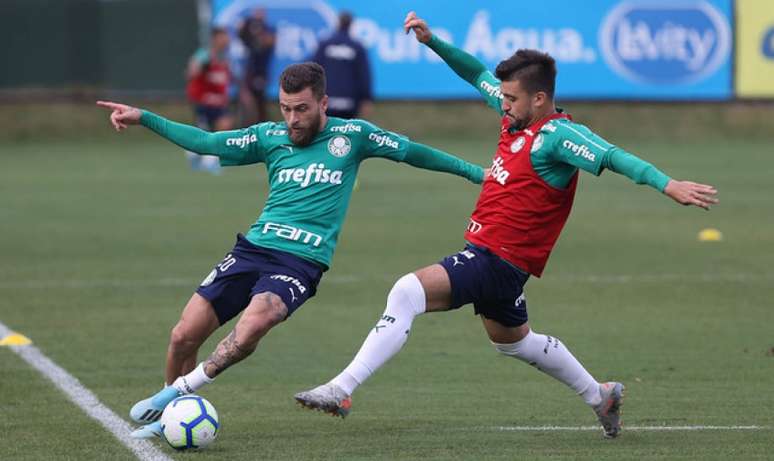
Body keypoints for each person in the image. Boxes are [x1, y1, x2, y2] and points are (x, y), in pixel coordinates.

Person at [294, 12, 719, 439]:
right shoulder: (512, 114)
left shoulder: (558, 136)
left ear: (538, 99)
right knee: (512, 341)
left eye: (511, 98)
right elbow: (475, 72)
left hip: (498, 259)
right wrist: (432, 41)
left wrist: (668, 184)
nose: (503, 103)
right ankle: (600, 395)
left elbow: (613, 156)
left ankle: (342, 389)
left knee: (407, 292)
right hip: (496, 259)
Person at [96, 61, 485, 439]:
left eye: (301, 109)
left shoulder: (352, 136)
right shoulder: (269, 137)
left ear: (323, 104)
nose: (292, 119)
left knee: (255, 322)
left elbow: (413, 152)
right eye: (285, 108)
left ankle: (176, 392)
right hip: (252, 249)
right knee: (183, 335)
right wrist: (145, 117)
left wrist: (474, 173)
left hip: (300, 262)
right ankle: (170, 416)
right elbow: (206, 142)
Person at [185, 27, 233, 174]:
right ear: (215, 39)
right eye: (223, 36)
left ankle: (210, 161)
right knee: (203, 132)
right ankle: (195, 156)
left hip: (218, 103)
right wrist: (201, 67)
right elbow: (191, 73)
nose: (226, 40)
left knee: (223, 126)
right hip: (203, 102)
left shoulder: (225, 57)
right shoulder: (204, 55)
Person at [311, 11, 373, 119]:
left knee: (326, 132)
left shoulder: (325, 44)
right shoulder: (357, 47)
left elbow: (313, 70)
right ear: (351, 25)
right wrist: (366, 98)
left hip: (327, 100)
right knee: (347, 132)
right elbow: (364, 75)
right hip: (350, 102)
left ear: (338, 23)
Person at [238, 8, 275, 125]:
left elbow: (269, 40)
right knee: (247, 101)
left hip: (260, 73)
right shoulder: (251, 38)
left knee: (260, 101)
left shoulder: (268, 32)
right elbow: (242, 34)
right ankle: (247, 126)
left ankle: (262, 125)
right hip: (250, 73)